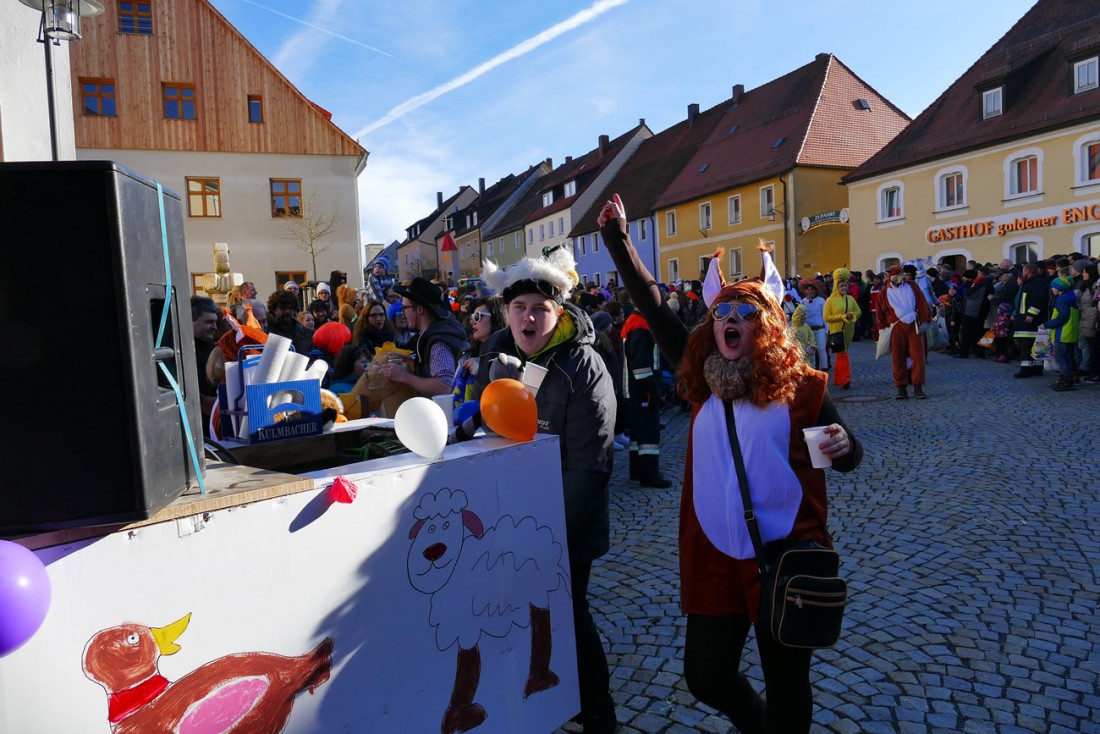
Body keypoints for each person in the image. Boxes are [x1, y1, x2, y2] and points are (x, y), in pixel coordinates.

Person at [597, 194, 862, 734]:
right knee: (706, 675)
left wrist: (843, 444)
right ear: (712, 323)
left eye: (747, 313)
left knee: (787, 679)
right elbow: (654, 307)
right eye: (723, 312)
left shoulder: (803, 390)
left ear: (766, 325)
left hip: (786, 552)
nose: (732, 320)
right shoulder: (699, 382)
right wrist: (618, 238)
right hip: (714, 553)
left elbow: (844, 458)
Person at [476, 245, 618, 734]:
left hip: (565, 530)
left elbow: (590, 467)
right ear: (505, 311)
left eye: (540, 307)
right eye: (519, 308)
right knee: (521, 618)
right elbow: (482, 434)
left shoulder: (584, 366)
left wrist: (551, 537)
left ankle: (598, 716)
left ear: (558, 312)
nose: (528, 317)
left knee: (570, 618)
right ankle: (542, 706)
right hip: (507, 526)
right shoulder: (494, 353)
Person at [384, 277, 466, 398]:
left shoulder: (438, 343)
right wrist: (413, 361)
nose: (403, 313)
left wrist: (403, 376)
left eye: (405, 308)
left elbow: (445, 386)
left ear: (420, 310)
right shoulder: (436, 331)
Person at [622, 308, 673, 487]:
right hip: (643, 391)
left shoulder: (635, 322)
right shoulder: (639, 325)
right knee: (648, 435)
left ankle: (638, 470)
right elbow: (641, 366)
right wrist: (654, 389)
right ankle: (649, 475)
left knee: (638, 435)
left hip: (636, 391)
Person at [877, 264, 932, 399]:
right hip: (897, 327)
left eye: (900, 276)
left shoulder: (912, 286)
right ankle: (901, 388)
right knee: (898, 357)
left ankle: (918, 387)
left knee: (918, 356)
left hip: (914, 324)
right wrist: (882, 329)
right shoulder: (884, 293)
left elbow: (922, 303)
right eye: (895, 277)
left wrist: (925, 320)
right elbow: (880, 314)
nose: (898, 279)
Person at [451, 296, 504, 411]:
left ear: (497, 318)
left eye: (477, 317)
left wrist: (483, 369)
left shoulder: (511, 358)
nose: (472, 322)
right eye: (471, 317)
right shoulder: (466, 356)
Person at [823, 269, 861, 389]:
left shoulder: (850, 299)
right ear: (836, 286)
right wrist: (842, 316)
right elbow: (826, 317)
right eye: (841, 286)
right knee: (842, 354)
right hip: (836, 331)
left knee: (841, 354)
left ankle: (838, 378)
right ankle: (845, 379)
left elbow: (858, 311)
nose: (843, 288)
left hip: (849, 331)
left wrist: (852, 315)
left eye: (845, 285)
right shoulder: (830, 300)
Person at [1012, 263, 1050, 379]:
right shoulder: (1032, 283)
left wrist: (1031, 314)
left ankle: (1026, 369)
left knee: (1027, 346)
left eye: (1023, 271)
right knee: (1034, 345)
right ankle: (1036, 368)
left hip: (1030, 321)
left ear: (1027, 272)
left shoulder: (1035, 283)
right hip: (1027, 320)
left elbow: (1039, 300)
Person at [1045, 276, 1080, 392]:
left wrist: (1047, 324)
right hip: (1071, 332)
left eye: (1053, 287)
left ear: (1059, 288)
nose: (1052, 289)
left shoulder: (1062, 299)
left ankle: (1065, 380)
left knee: (1060, 357)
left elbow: (1062, 317)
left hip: (1063, 332)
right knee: (1068, 357)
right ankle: (1067, 380)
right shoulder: (1071, 297)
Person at [191, 296, 220, 432]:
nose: (214, 327)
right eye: (208, 322)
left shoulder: (218, 349)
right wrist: (200, 401)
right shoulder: (181, 352)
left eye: (215, 322)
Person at [266, 290, 314, 354]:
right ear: (273, 309)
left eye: (290, 308)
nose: (287, 311)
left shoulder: (300, 330)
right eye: (283, 308)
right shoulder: (266, 330)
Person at [798, 279, 828, 371]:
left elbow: (825, 316)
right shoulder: (802, 302)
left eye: (812, 289)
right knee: (810, 351)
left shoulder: (821, 301)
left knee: (821, 349)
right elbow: (800, 317)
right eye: (808, 289)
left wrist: (827, 330)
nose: (810, 291)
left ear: (816, 290)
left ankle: (824, 368)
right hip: (808, 330)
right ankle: (812, 368)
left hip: (820, 329)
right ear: (805, 290)